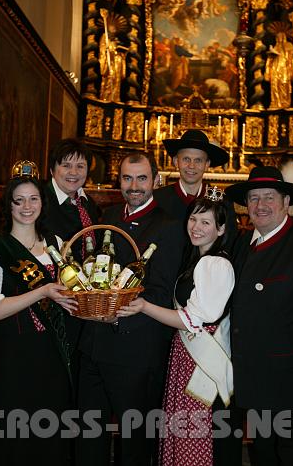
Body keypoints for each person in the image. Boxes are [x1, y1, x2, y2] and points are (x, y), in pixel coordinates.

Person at [77, 152, 184, 466]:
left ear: (156, 180)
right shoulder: (107, 215)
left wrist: (118, 314)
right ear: (119, 180)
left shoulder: (169, 226)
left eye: (141, 178)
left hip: (135, 349)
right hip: (93, 343)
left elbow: (162, 290)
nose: (134, 186)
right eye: (127, 178)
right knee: (89, 434)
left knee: (135, 443)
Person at [117, 189, 236, 466]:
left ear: (221, 229)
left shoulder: (215, 263)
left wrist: (144, 306)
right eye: (193, 219)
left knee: (197, 436)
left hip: (202, 363)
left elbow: (193, 319)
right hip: (187, 356)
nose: (196, 227)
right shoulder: (197, 259)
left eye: (206, 222)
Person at [0, 160, 76, 466]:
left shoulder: (57, 244)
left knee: (52, 429)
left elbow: (67, 292)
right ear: (9, 206)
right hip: (15, 353)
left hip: (54, 350)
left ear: (43, 203)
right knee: (14, 430)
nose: (27, 206)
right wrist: (42, 292)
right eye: (19, 200)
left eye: (34, 199)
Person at [225, 165, 293, 466]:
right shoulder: (243, 244)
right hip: (258, 390)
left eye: (269, 197)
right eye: (253, 198)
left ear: (286, 202)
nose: (260, 205)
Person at [43, 138, 99, 353]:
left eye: (80, 166)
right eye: (66, 165)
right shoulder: (40, 201)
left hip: (82, 300)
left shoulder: (88, 204)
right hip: (50, 299)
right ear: (52, 169)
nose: (73, 172)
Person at [154, 129, 237, 251]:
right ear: (176, 161)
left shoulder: (222, 201)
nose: (191, 166)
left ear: (207, 164)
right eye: (186, 159)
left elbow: (229, 241)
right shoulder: (157, 199)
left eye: (198, 160)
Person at [264, 32, 293, 109]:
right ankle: (275, 102)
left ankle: (284, 102)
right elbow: (270, 59)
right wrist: (267, 71)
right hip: (275, 67)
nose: (279, 38)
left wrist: (292, 69)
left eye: (281, 36)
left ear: (284, 37)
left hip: (284, 67)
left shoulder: (288, 45)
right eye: (277, 36)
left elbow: (291, 57)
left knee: (283, 84)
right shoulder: (276, 46)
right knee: (274, 84)